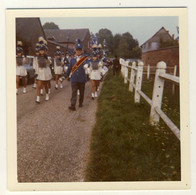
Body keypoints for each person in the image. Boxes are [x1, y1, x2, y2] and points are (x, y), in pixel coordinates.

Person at [64, 39, 89, 111]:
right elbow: (69, 69)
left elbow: (89, 64)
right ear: (75, 50)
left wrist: (87, 65)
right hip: (74, 79)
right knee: (74, 92)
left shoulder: (85, 59)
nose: (78, 51)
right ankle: (73, 105)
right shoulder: (72, 60)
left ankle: (80, 102)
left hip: (82, 79)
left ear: (82, 51)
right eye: (77, 50)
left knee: (81, 93)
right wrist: (65, 76)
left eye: (80, 50)